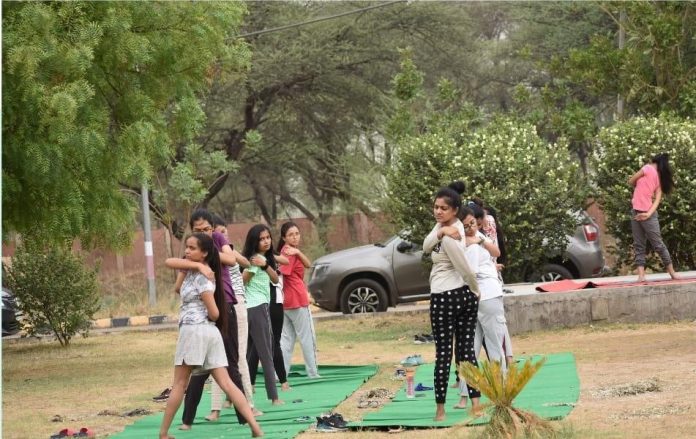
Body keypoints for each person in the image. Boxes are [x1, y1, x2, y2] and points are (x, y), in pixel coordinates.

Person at [158, 233, 262, 439]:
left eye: (192, 248)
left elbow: (214, 313)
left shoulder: (204, 279)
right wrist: (197, 265)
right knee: (227, 383)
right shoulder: (194, 269)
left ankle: (163, 433)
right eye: (186, 247)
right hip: (208, 333)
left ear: (204, 253)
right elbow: (169, 263)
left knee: (179, 384)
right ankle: (255, 427)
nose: (187, 251)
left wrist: (199, 271)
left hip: (195, 331)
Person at [177, 210, 246, 430]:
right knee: (198, 369)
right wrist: (195, 264)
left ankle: (244, 418)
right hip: (201, 316)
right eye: (198, 230)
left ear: (213, 228)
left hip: (224, 307)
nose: (203, 232)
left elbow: (232, 259)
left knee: (231, 365)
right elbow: (177, 281)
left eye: (207, 229)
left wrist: (206, 256)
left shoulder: (216, 240)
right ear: (192, 230)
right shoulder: (192, 249)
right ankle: (187, 420)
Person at [423, 186, 482, 421]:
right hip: (457, 294)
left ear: (455, 210)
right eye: (436, 207)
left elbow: (463, 266)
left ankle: (443, 409)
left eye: (444, 208)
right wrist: (441, 230)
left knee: (450, 354)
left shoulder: (450, 236)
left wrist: (475, 289)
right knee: (461, 353)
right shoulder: (443, 228)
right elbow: (426, 244)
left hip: (448, 297)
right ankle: (471, 404)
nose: (438, 211)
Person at [205, 214, 262, 421]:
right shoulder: (208, 255)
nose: (222, 237)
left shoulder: (226, 251)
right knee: (219, 359)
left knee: (237, 358)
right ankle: (217, 408)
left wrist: (228, 250)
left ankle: (248, 405)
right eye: (219, 233)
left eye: (224, 232)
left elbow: (246, 262)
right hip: (221, 303)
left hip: (236, 304)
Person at [455, 206, 508, 409]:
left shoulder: (474, 238)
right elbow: (472, 271)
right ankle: (499, 391)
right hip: (484, 296)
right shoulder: (471, 242)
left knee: (472, 348)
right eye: (466, 224)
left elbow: (496, 252)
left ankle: (465, 396)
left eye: (473, 223)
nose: (470, 226)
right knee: (488, 346)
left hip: (478, 297)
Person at [242, 224, 286, 405]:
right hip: (257, 308)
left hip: (252, 309)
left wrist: (267, 264)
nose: (266, 241)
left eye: (268, 237)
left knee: (247, 355)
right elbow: (243, 279)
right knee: (266, 353)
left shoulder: (264, 259)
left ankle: (232, 399)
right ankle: (274, 398)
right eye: (262, 238)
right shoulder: (256, 259)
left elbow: (275, 279)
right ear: (254, 241)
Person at [277, 221, 320, 378]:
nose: (295, 237)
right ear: (284, 237)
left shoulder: (289, 251)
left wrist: (297, 252)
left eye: (297, 234)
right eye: (290, 235)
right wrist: (293, 253)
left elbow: (308, 264)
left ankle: (281, 375)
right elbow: (282, 272)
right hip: (297, 300)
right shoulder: (288, 253)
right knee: (308, 338)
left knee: (286, 341)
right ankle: (313, 373)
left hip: (286, 302)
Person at [628, 153, 679, 282]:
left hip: (641, 213)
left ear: (655, 161)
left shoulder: (647, 168)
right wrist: (649, 213)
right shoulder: (658, 177)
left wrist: (647, 214)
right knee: (656, 245)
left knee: (642, 245)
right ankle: (670, 273)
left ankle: (642, 276)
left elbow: (630, 181)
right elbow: (657, 200)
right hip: (642, 213)